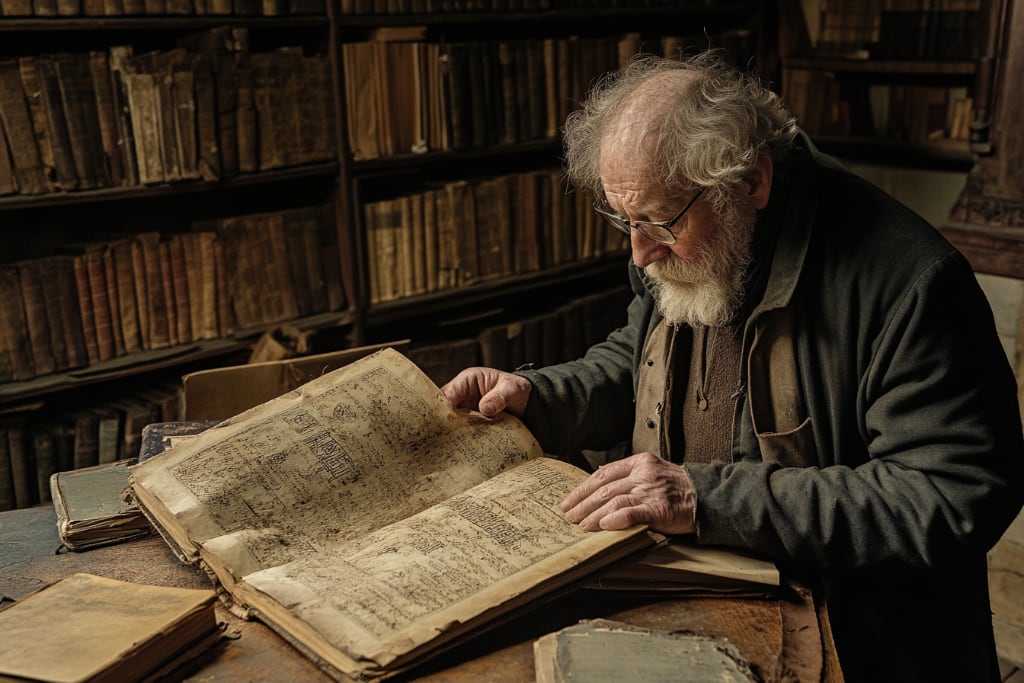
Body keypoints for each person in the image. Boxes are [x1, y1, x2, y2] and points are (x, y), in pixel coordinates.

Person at [441, 51, 1024, 682]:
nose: (639, 254)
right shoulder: (686, 232)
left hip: (854, 641)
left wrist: (705, 498)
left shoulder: (912, 282)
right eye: (623, 220)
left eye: (658, 222)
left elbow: (948, 496)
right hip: (694, 594)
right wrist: (537, 394)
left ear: (751, 183)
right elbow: (636, 358)